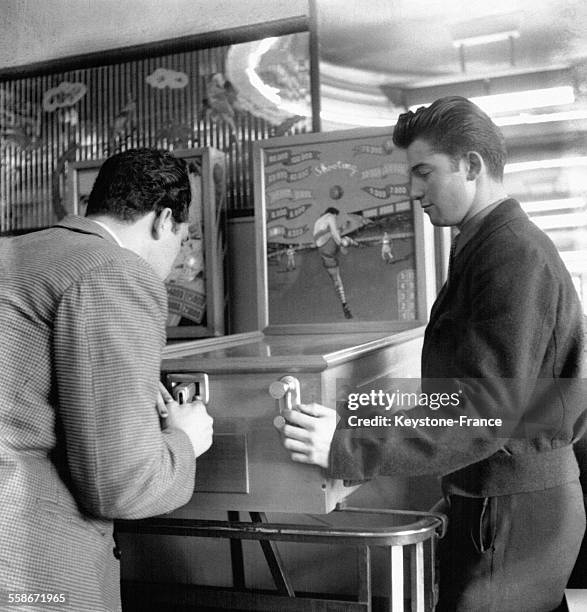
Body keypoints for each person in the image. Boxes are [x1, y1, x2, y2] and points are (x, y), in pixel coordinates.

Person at [276, 97, 585, 611]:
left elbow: (484, 410)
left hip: (513, 512)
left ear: (471, 165)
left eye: (424, 172)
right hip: (499, 500)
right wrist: (356, 414)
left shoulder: (511, 255)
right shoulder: (486, 244)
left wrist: (347, 445)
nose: (413, 190)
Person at [0, 148, 214, 612]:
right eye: (183, 236)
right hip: (33, 575)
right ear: (163, 221)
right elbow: (119, 484)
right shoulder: (115, 270)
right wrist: (184, 438)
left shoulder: (12, 252)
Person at [313, 207, 354, 319]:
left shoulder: (318, 221)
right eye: (336, 216)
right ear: (334, 213)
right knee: (346, 240)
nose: (336, 218)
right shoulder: (330, 217)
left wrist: (342, 228)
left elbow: (327, 234)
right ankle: (356, 243)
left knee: (336, 279)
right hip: (328, 246)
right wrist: (341, 244)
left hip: (322, 250)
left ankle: (344, 304)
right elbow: (335, 234)